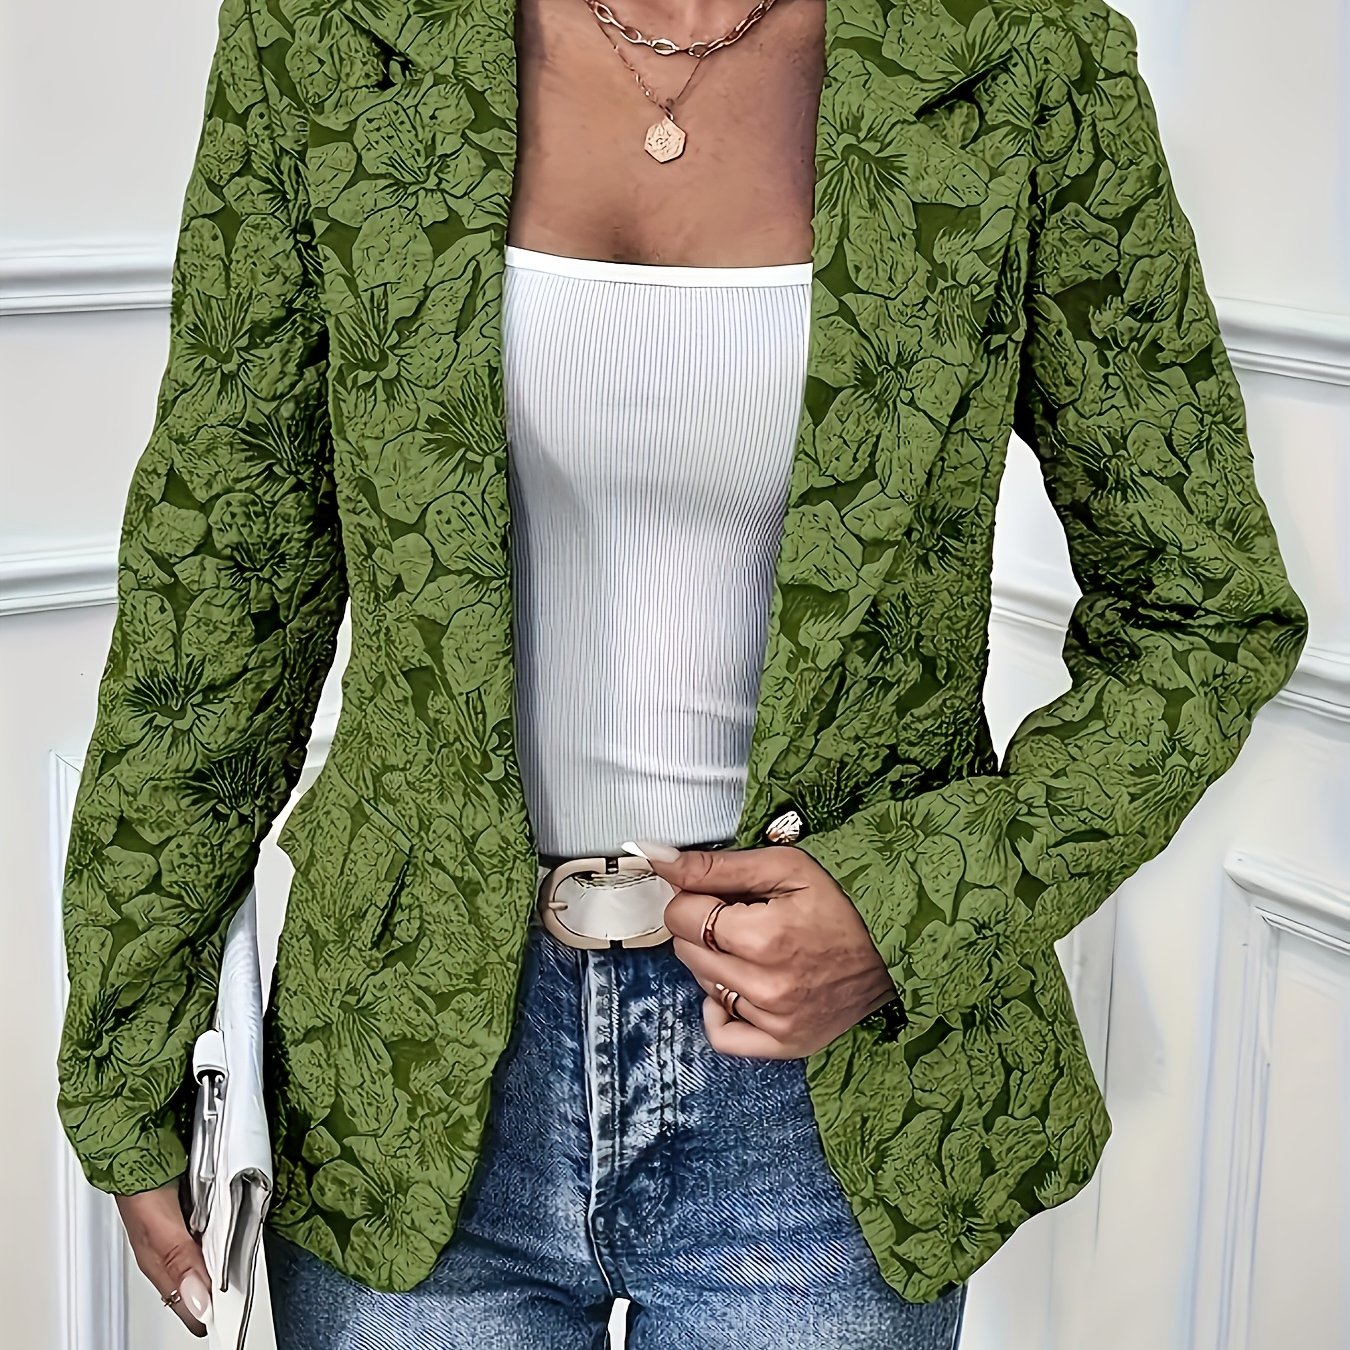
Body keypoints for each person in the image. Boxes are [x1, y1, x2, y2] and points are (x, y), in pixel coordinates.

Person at [55, 0, 1310, 1346]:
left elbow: (1204, 609)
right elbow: (219, 587)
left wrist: (902, 910)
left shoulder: (1017, 54)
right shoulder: (328, 35)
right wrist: (128, 1041)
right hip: (405, 1072)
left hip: (827, 1111)